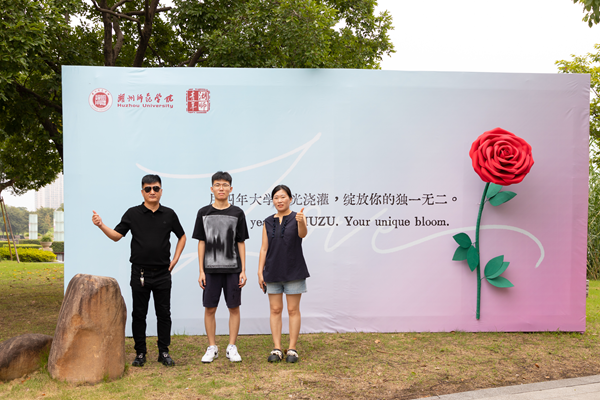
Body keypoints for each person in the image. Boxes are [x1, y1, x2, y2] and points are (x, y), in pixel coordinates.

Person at [91, 174, 186, 367]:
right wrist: (101, 225)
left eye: (156, 188)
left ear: (161, 191)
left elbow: (182, 236)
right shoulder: (132, 213)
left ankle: (164, 352)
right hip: (140, 273)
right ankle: (140, 353)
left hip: (162, 273)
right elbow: (116, 236)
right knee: (139, 314)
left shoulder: (169, 214)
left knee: (164, 314)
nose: (152, 192)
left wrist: (175, 259)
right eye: (148, 189)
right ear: (142, 192)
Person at [192, 171, 249, 363]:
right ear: (212, 188)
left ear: (231, 189)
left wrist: (243, 270)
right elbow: (201, 242)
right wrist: (201, 270)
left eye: (225, 185)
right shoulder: (203, 213)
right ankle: (212, 347)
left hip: (233, 270)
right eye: (217, 185)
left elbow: (241, 242)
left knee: (234, 308)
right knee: (210, 309)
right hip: (210, 270)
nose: (221, 188)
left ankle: (232, 347)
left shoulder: (237, 213)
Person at [258, 184, 309, 363]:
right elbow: (264, 248)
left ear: (290, 199)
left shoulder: (298, 217)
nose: (279, 200)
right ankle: (277, 348)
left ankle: (292, 349)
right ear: (273, 201)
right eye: (276, 198)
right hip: (272, 271)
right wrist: (260, 271)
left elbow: (302, 234)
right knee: (275, 309)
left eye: (283, 197)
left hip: (294, 270)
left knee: (293, 310)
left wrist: (301, 221)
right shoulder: (267, 221)